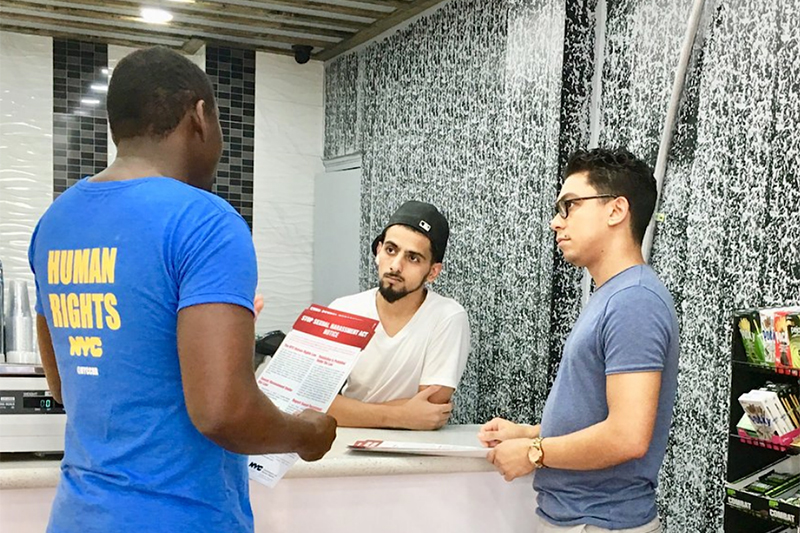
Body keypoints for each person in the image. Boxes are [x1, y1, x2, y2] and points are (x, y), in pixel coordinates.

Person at [28, 47, 336, 533]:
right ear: (199, 116)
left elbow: (65, 384)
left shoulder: (55, 222)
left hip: (78, 516)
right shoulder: (206, 221)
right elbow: (223, 412)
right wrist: (306, 432)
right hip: (180, 519)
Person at [478, 148, 679, 533]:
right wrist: (531, 432)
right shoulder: (612, 295)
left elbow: (627, 436)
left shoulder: (634, 301)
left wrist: (535, 453)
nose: (557, 222)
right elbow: (597, 413)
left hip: (600, 522)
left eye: (569, 206)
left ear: (616, 211)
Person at [327, 200, 470, 430]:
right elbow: (312, 401)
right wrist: (401, 416)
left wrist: (347, 410)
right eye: (391, 250)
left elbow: (431, 408)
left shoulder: (448, 317)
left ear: (433, 272)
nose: (395, 265)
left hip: (411, 452)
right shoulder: (342, 311)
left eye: (413, 258)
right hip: (341, 446)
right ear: (378, 251)